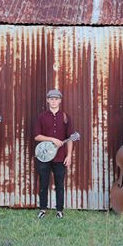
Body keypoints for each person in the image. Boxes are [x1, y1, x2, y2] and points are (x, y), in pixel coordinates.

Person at [34, 89, 74, 219]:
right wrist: (52, 139)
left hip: (60, 157)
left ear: (60, 101)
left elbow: (70, 138)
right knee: (43, 183)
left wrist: (69, 156)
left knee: (60, 185)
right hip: (44, 156)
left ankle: (59, 210)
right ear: (47, 100)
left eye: (56, 99)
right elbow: (37, 136)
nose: (54, 101)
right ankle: (43, 209)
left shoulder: (66, 117)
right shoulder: (41, 117)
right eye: (51, 99)